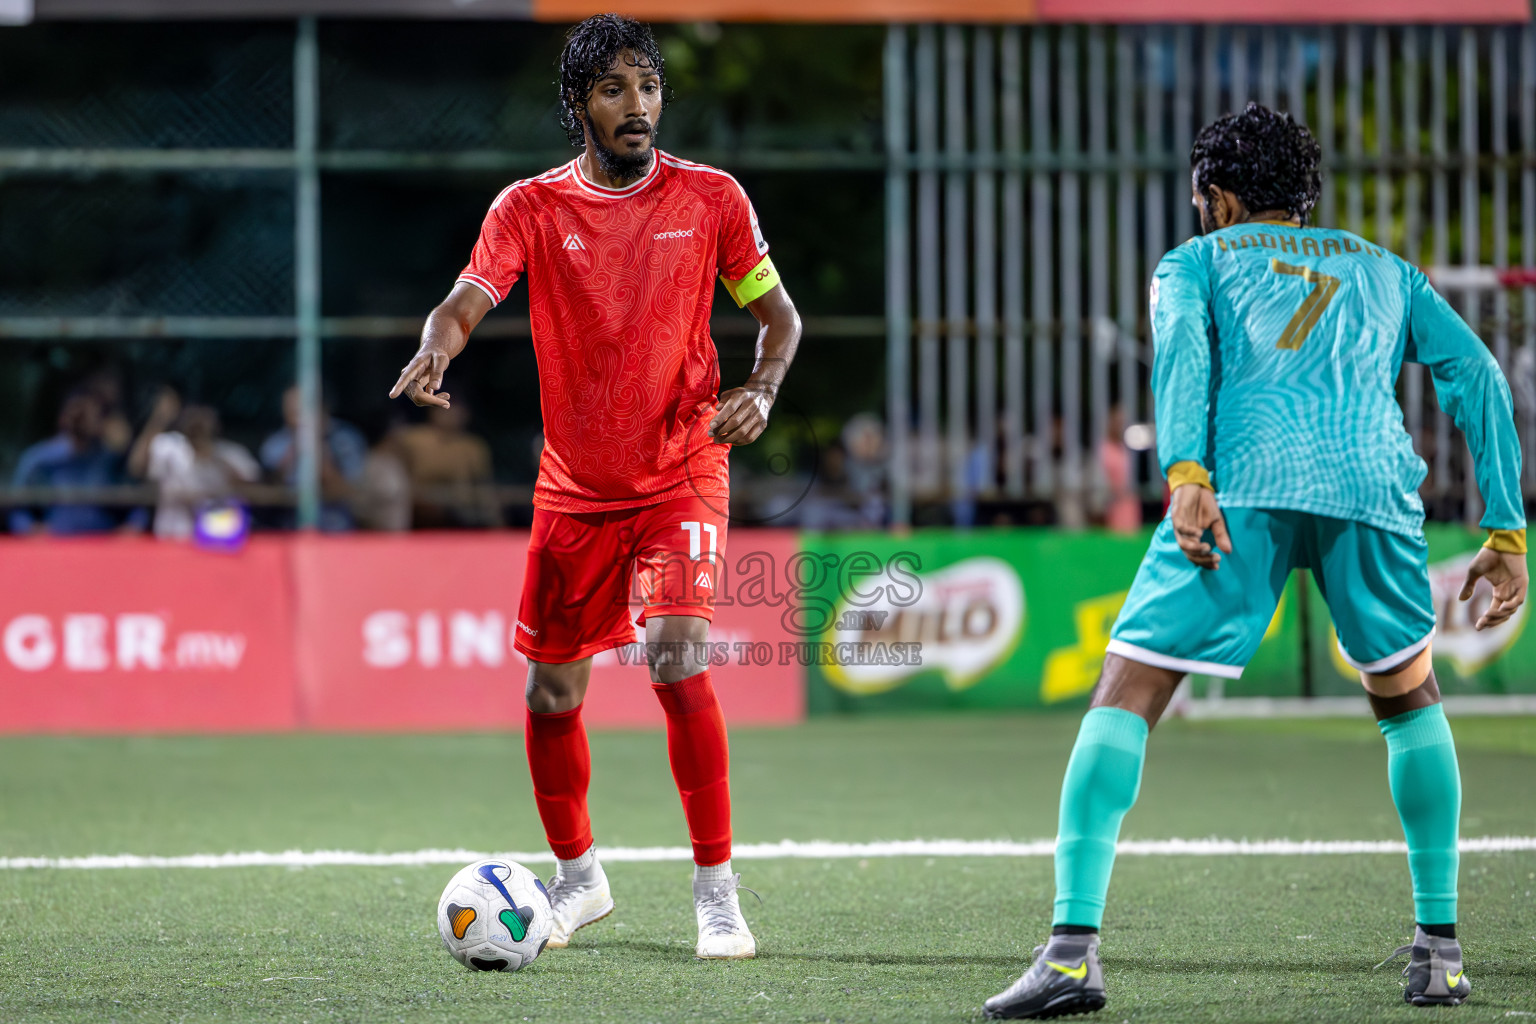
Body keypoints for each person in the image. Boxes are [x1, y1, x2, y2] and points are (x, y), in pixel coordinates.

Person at [983, 103, 1527, 1019]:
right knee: (1408, 700)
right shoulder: (1387, 269)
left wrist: (1187, 471)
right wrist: (1505, 528)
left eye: (1204, 198)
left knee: (1124, 694)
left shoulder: (1195, 262)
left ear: (1220, 197)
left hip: (1244, 485)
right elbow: (1477, 373)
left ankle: (1072, 954)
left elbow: (1184, 359)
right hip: (1372, 486)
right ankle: (1441, 953)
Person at [388, 15, 801, 960]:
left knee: (676, 655)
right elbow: (468, 298)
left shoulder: (713, 200)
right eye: (614, 89)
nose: (638, 106)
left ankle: (717, 893)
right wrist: (435, 342)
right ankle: (578, 881)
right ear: (578, 105)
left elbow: (778, 318)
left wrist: (763, 391)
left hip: (681, 465)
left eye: (648, 86)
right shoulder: (529, 208)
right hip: (576, 486)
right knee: (547, 694)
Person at [128, 388, 260, 540]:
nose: (198, 424)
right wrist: (159, 419)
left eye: (204, 419)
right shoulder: (169, 446)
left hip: (217, 538)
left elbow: (257, 487)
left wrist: (214, 459)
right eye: (193, 418)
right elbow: (136, 467)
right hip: (174, 535)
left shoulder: (231, 454)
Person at [9, 389, 146, 535]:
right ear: (64, 417)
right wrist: (30, 529)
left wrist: (132, 528)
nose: (81, 418)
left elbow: (138, 503)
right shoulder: (40, 459)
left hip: (102, 544)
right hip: (57, 544)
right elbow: (15, 508)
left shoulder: (110, 458)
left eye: (90, 412)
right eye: (77, 411)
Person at [259, 385, 368, 531]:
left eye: (298, 407)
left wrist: (316, 445)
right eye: (288, 407)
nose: (292, 413)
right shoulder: (276, 442)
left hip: (336, 528)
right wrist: (294, 450)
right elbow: (267, 489)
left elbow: (350, 491)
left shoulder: (345, 439)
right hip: (285, 527)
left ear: (322, 408)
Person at [392, 402, 501, 528]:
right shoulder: (413, 439)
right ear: (433, 412)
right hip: (420, 500)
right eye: (446, 411)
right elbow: (396, 473)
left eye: (456, 411)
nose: (451, 416)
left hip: (460, 504)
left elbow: (482, 482)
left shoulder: (473, 446)